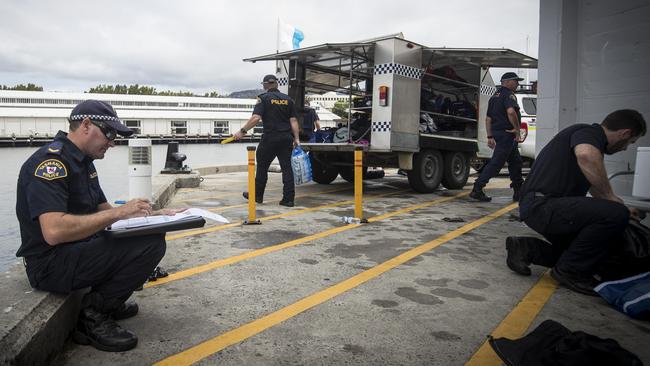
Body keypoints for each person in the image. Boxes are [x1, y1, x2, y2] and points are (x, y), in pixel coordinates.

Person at [15, 100, 180, 352]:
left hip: (78, 250)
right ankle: (92, 317)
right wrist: (121, 212)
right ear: (86, 125)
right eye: (110, 134)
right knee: (149, 245)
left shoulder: (84, 163)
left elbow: (105, 212)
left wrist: (158, 215)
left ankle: (108, 301)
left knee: (151, 234)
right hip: (50, 264)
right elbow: (54, 231)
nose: (113, 142)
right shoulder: (51, 165)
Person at [505, 109, 647, 296]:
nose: (625, 148)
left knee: (590, 254)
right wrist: (615, 203)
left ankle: (526, 249)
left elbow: (596, 189)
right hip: (544, 206)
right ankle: (569, 272)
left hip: (541, 208)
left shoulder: (586, 137)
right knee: (615, 215)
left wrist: (620, 206)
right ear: (625, 134)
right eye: (630, 142)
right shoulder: (589, 133)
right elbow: (586, 156)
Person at [234, 74, 300, 207]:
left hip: (270, 137)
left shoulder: (263, 98)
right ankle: (288, 199)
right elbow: (293, 120)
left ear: (265, 85)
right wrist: (297, 139)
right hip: (286, 138)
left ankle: (257, 195)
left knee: (262, 166)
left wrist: (242, 131)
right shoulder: (288, 100)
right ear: (276, 84)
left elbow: (256, 118)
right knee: (287, 168)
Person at [470, 72, 525, 202]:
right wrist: (517, 129)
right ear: (507, 82)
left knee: (516, 162)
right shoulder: (508, 95)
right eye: (515, 81)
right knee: (496, 163)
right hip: (507, 134)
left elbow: (488, 119)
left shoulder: (494, 97)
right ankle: (477, 189)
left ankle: (518, 191)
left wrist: (490, 136)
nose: (517, 84)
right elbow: (511, 112)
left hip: (499, 134)